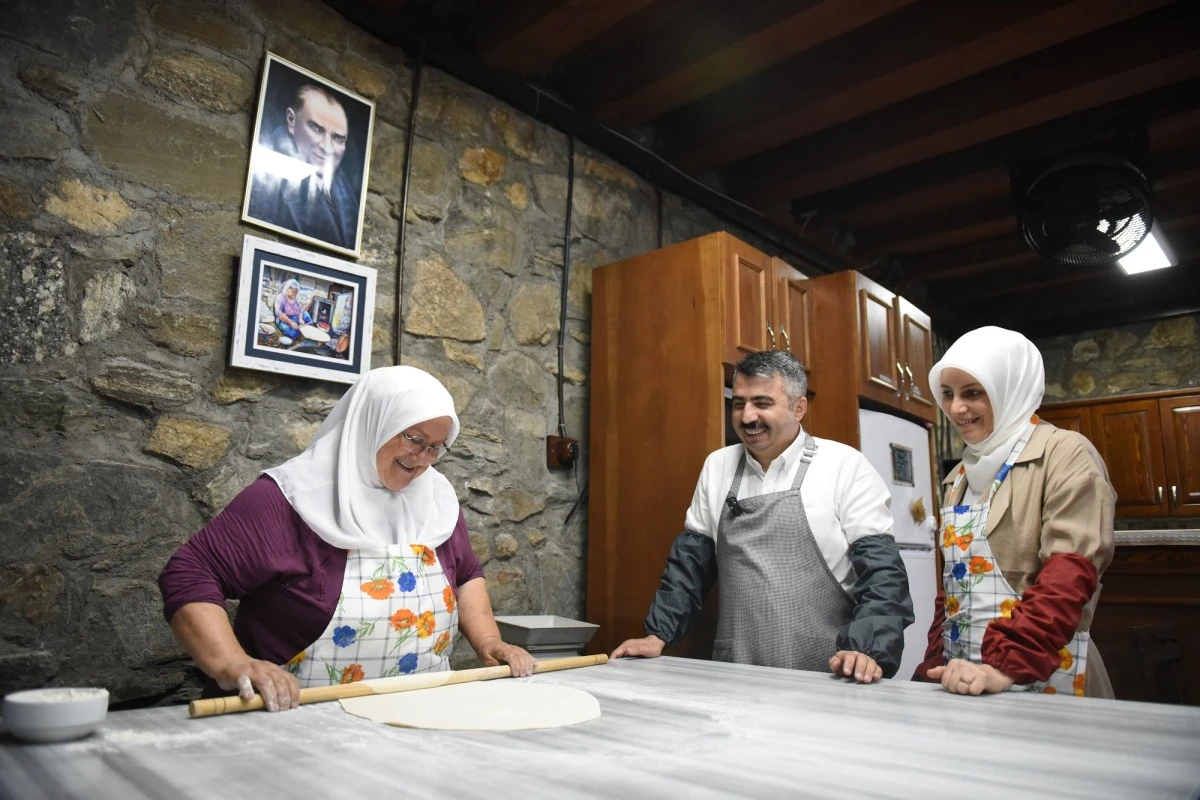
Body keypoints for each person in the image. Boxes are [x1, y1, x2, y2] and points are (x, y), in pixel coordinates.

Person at [159, 366, 535, 712]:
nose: (423, 458)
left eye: (436, 447)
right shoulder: (289, 498)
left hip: (414, 715)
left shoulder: (436, 499)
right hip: (290, 720)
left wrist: (489, 642)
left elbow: (466, 573)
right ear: (373, 422)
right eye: (414, 439)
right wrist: (232, 663)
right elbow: (190, 572)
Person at [611, 350, 915, 683]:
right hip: (738, 675)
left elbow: (883, 576)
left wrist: (868, 650)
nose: (746, 416)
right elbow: (689, 567)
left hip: (827, 677)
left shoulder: (844, 466)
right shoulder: (718, 467)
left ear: (799, 408)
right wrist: (658, 635)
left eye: (762, 403)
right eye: (739, 403)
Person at [914, 326, 1116, 697]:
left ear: (1011, 388)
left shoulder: (1066, 453)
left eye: (973, 393)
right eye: (947, 394)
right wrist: (933, 660)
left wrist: (1005, 666)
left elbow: (1069, 575)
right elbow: (952, 590)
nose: (956, 408)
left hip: (1042, 669)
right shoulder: (958, 476)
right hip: (963, 678)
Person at [247, 83, 360, 250]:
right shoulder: (264, 182)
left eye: (338, 139)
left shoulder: (346, 194)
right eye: (316, 129)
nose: (327, 148)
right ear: (291, 120)